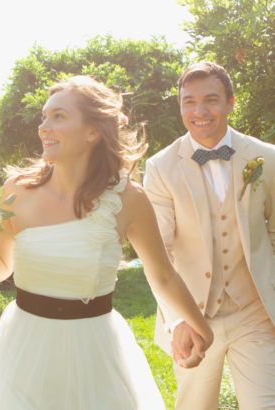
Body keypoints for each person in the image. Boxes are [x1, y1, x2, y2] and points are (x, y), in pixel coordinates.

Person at [0, 76, 213, 409]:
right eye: (44, 117)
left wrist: (201, 327)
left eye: (58, 117)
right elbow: (0, 267)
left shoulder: (128, 199)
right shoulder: (17, 190)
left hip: (94, 347)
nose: (44, 126)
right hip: (24, 346)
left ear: (92, 131)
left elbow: (163, 275)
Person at [144, 62, 275, 409]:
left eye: (211, 100)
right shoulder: (160, 167)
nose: (199, 111)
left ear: (231, 103)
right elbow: (159, 253)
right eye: (189, 102)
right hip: (192, 313)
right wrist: (177, 321)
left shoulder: (266, 158)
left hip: (256, 311)